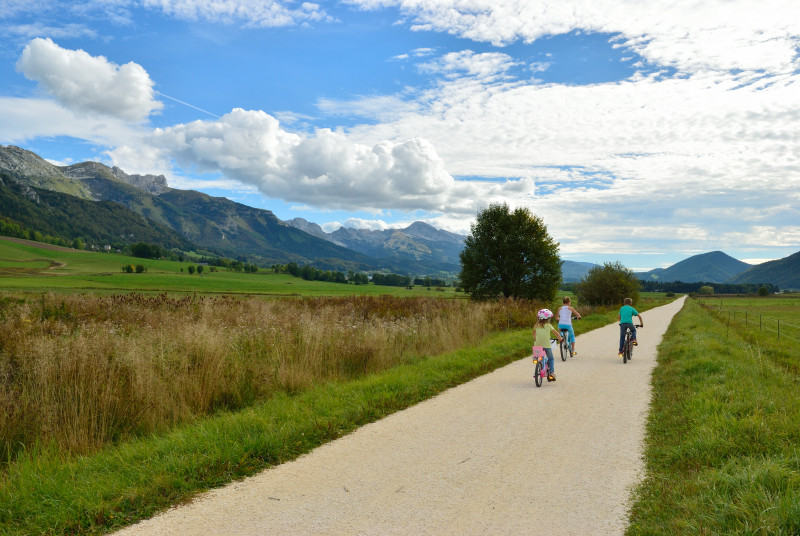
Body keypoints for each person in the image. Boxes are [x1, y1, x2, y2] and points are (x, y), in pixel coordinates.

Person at [533, 308, 563, 381]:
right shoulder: (548, 325)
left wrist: (535, 339)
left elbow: (534, 334)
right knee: (551, 358)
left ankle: (536, 359)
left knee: (539, 356)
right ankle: (551, 373)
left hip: (537, 346)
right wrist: (560, 338)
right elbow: (556, 333)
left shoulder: (536, 325)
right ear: (548, 319)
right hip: (546, 345)